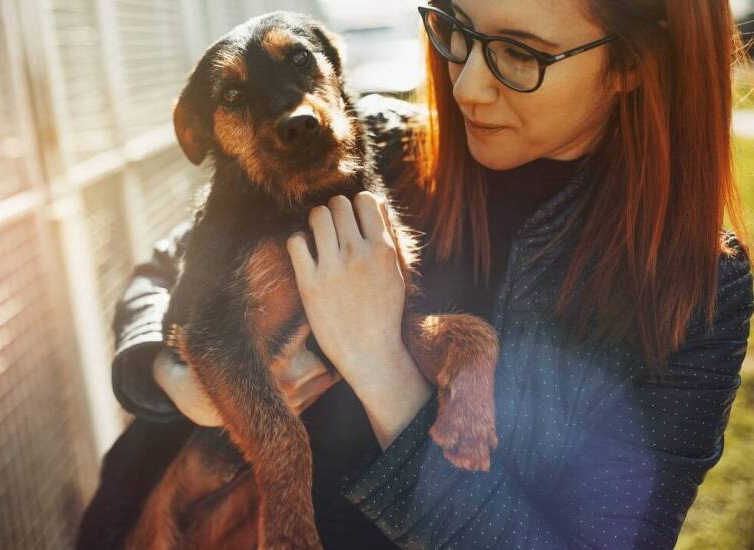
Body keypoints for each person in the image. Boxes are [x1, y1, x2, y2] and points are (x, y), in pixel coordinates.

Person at [77, 0, 754, 548]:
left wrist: (380, 369)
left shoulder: (700, 288)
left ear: (632, 64)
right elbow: (162, 272)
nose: (465, 85)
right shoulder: (372, 141)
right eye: (454, 29)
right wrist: (174, 385)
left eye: (519, 53)